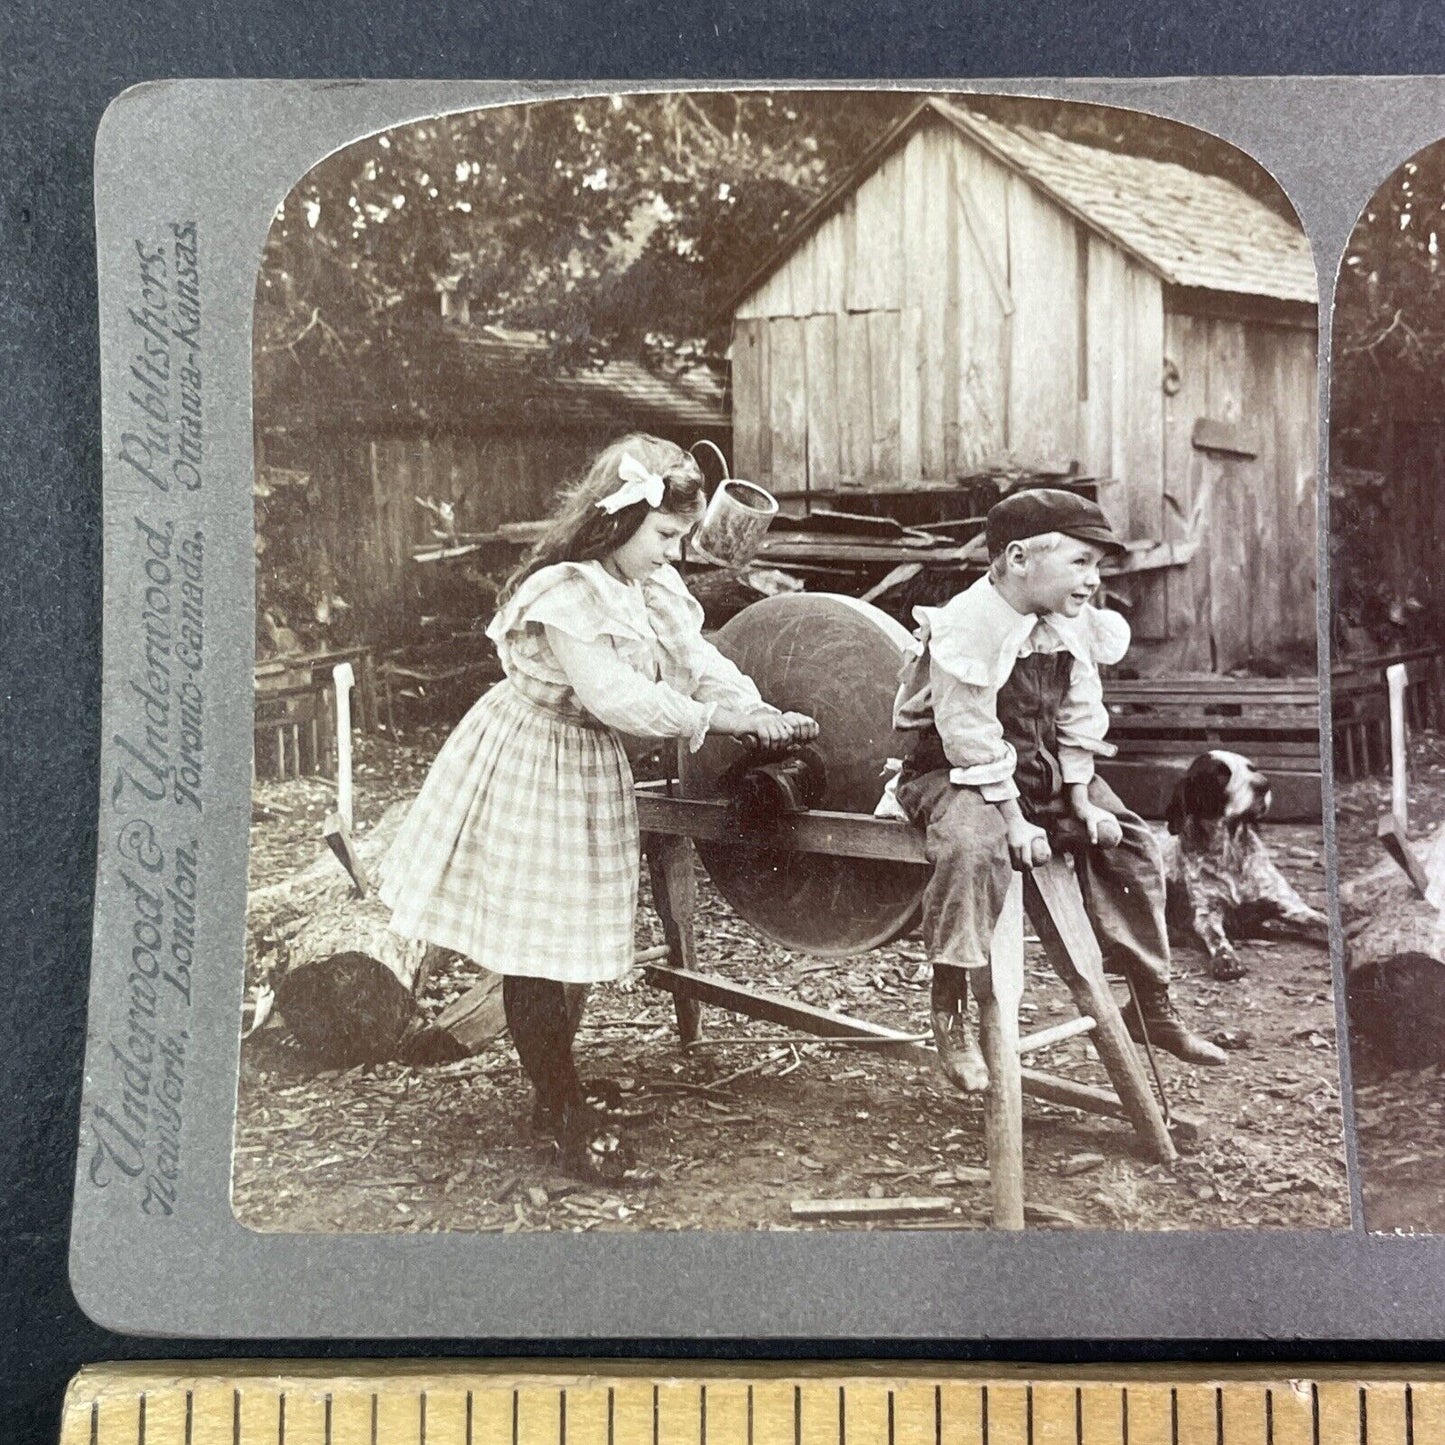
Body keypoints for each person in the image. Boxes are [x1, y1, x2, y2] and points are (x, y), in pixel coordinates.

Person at [377, 434, 816, 1184]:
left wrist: (751, 704)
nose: (675, 553)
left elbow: (694, 658)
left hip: (583, 764)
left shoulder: (647, 586)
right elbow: (613, 694)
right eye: (666, 536)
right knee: (535, 944)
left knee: (566, 936)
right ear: (617, 520)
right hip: (530, 757)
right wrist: (724, 723)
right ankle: (561, 1104)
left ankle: (558, 1087)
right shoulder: (565, 590)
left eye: (682, 537)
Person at [882, 487, 1226, 1093]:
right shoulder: (968, 625)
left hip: (1035, 765)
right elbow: (970, 736)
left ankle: (1149, 1001)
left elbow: (1079, 710)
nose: (1093, 580)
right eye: (1080, 562)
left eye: (1097, 565)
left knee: (1132, 841)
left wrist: (1081, 799)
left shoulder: (1070, 623)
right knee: (972, 844)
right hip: (954, 770)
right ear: (1018, 559)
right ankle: (950, 1007)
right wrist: (1015, 821)